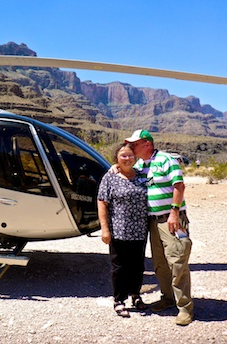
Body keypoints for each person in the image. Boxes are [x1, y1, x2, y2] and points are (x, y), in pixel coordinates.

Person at [124, 129, 194, 326]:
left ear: (147, 144)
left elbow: (179, 186)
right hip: (153, 221)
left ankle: (185, 307)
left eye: (135, 144)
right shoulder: (140, 164)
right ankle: (168, 298)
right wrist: (115, 168)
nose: (131, 147)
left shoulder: (166, 160)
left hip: (171, 219)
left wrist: (174, 212)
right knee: (160, 263)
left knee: (177, 260)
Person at [97, 144, 148, 318]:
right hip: (118, 230)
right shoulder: (110, 177)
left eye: (130, 155)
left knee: (137, 265)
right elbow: (102, 202)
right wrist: (105, 229)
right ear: (117, 158)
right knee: (119, 267)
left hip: (140, 230)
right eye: (123, 156)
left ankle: (135, 295)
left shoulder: (142, 176)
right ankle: (119, 300)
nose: (127, 159)